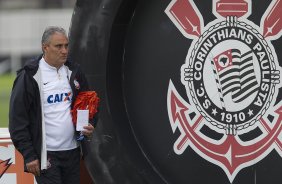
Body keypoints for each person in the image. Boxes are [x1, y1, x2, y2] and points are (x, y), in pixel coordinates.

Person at [9, 26, 95, 184]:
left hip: (73, 152)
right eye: (58, 46)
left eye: (66, 46)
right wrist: (29, 155)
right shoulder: (29, 76)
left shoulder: (74, 71)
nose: (64, 50)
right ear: (45, 47)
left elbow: (89, 103)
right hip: (46, 156)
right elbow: (17, 121)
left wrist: (89, 125)